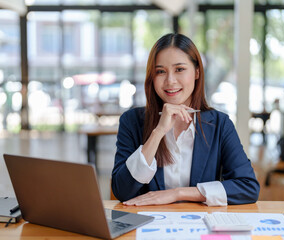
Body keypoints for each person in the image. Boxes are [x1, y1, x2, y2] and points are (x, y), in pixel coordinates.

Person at [111, 33, 260, 206]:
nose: (170, 81)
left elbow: (248, 187)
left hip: (201, 225)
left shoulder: (219, 124)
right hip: (149, 225)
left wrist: (178, 193)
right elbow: (122, 190)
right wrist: (158, 132)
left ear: (197, 72)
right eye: (160, 71)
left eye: (179, 69)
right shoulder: (132, 121)